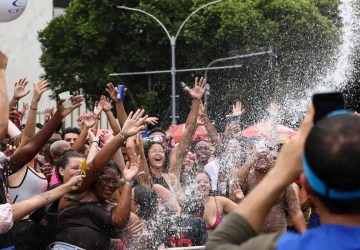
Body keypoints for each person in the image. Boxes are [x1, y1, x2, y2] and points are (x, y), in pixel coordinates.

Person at [206, 107, 360, 249]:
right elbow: (236, 187)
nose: (262, 155)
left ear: (307, 185)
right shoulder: (248, 177)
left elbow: (295, 212)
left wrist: (281, 173)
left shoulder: (293, 246)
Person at [50, 109, 147, 250]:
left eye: (114, 182)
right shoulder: (77, 190)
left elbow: (119, 221)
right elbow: (95, 165)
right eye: (106, 179)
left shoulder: (108, 205)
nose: (110, 185)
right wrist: (121, 135)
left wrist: (127, 181)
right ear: (95, 179)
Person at [237, 149, 306, 233]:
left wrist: (305, 236)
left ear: (272, 160)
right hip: (253, 240)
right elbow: (236, 189)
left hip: (278, 239)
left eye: (265, 154)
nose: (261, 155)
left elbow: (295, 212)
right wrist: (249, 160)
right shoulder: (247, 179)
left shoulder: (282, 182)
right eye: (258, 154)